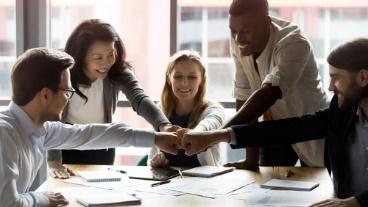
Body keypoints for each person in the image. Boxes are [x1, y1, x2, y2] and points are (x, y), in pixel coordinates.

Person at [181, 38, 368, 207]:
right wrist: (216, 136)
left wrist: (355, 202)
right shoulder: (342, 110)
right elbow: (289, 129)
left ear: (363, 77)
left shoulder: (292, 42)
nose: (330, 87)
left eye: (336, 77)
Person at [0, 47, 180, 207]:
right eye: (68, 92)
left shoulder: (39, 129)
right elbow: (8, 203)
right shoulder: (4, 135)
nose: (69, 98)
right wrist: (42, 199)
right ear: (45, 95)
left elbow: (90, 134)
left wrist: (156, 138)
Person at [47, 19, 175, 179]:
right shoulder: (63, 69)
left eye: (110, 54)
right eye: (98, 57)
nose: (106, 63)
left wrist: (164, 126)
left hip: (103, 143)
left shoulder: (117, 71)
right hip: (66, 144)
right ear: (81, 56)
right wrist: (53, 160)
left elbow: (139, 98)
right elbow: (50, 116)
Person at [224, 0, 328, 170]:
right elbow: (244, 96)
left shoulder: (294, 41)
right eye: (233, 31)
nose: (237, 38)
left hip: (309, 127)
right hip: (274, 129)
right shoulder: (238, 39)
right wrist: (251, 160)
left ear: (266, 22)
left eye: (245, 31)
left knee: (320, 187)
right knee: (266, 189)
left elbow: (269, 93)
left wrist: (217, 134)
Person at [149, 50, 225, 167]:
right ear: (169, 79)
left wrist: (195, 133)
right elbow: (152, 158)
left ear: (201, 80)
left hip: (204, 182)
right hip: (169, 182)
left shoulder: (214, 109)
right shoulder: (159, 111)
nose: (184, 82)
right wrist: (157, 162)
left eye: (192, 77)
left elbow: (211, 123)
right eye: (178, 76)